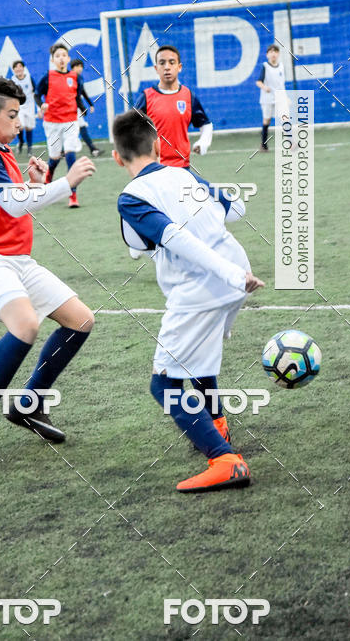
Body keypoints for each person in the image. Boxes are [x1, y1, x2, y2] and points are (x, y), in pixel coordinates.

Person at [112, 109, 264, 493]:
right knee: (197, 355)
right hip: (233, 269)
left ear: (117, 157)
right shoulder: (182, 174)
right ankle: (215, 420)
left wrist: (228, 275)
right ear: (158, 145)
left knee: (163, 385)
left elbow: (174, 238)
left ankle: (225, 460)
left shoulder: (131, 197)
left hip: (206, 287)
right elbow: (237, 208)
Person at [0, 73, 96, 467]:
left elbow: (16, 202)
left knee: (80, 321)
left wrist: (38, 184)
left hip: (15, 260)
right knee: (26, 325)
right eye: (13, 115)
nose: (20, 123)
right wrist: (66, 183)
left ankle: (28, 405)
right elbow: (14, 206)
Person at [134, 45, 213, 168]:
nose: (167, 67)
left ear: (179, 67)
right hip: (154, 168)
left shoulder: (188, 96)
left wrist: (203, 142)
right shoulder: (146, 97)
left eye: (172, 62)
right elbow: (131, 128)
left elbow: (205, 124)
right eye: (162, 63)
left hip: (182, 167)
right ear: (156, 68)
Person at [36, 44, 84, 208]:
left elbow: (77, 96)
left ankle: (72, 193)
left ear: (68, 58)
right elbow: (37, 94)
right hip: (52, 122)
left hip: (71, 121)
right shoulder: (48, 76)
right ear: (52, 59)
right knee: (55, 157)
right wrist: (41, 105)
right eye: (58, 56)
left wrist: (83, 108)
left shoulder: (74, 77)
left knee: (70, 154)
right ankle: (49, 175)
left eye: (64, 55)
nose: (61, 58)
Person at [256, 43, 286, 152]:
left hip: (279, 97)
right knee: (266, 121)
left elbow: (281, 84)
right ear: (267, 55)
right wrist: (265, 87)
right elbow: (258, 82)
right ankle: (263, 145)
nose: (273, 54)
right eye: (271, 52)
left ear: (278, 54)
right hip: (267, 98)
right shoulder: (265, 66)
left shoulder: (281, 66)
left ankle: (291, 143)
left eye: (275, 52)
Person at [70, 58, 102, 157]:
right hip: (71, 108)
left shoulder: (79, 78)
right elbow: (74, 95)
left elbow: (82, 92)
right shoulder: (71, 78)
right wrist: (83, 107)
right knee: (78, 128)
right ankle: (93, 149)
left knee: (79, 128)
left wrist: (90, 104)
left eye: (81, 66)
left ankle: (93, 149)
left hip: (76, 108)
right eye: (77, 66)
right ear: (72, 68)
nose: (79, 68)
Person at [12, 59, 37, 155]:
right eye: (16, 67)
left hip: (30, 106)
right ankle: (21, 141)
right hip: (19, 107)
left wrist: (38, 109)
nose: (18, 69)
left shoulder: (29, 78)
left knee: (29, 128)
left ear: (23, 68)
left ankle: (29, 148)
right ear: (14, 70)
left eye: (20, 67)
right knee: (20, 126)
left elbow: (36, 93)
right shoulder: (13, 80)